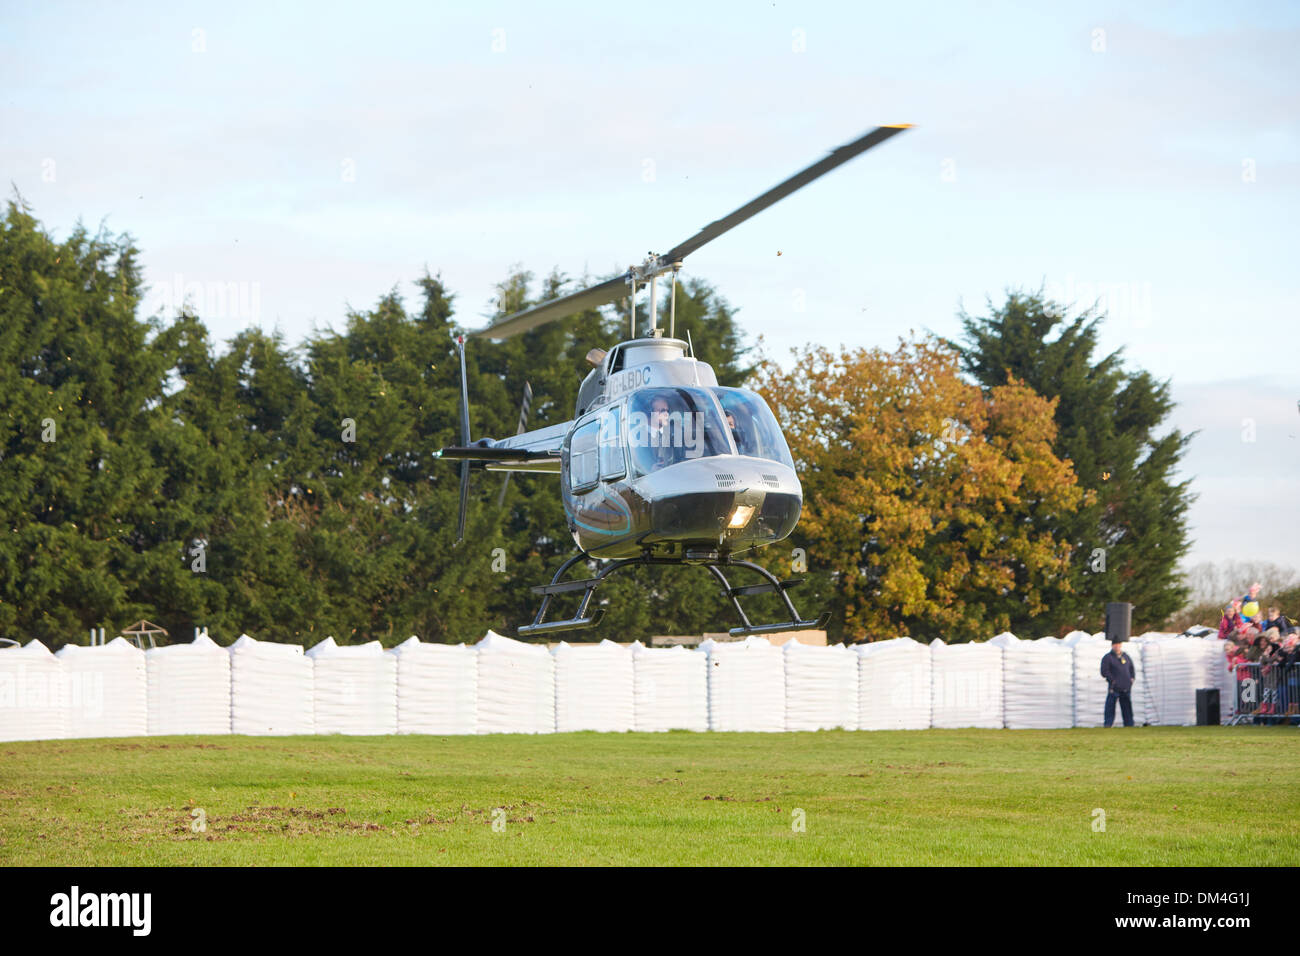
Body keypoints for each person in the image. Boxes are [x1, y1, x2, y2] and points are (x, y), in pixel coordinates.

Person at [1100, 640, 1137, 727]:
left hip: (1126, 686)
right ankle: (1108, 724)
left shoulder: (1126, 656)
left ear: (1121, 645)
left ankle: (1129, 724)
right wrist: (1112, 680)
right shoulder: (1108, 657)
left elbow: (1131, 668)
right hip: (1114, 687)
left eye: (1118, 644)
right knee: (1110, 707)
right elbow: (1104, 671)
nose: (1117, 646)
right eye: (1115, 644)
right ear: (1112, 645)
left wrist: (1132, 678)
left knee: (1127, 706)